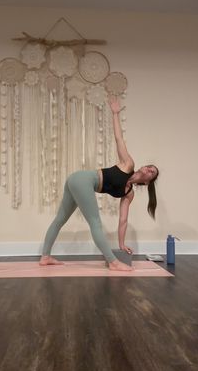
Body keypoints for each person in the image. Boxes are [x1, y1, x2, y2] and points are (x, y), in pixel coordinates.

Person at [40, 97, 159, 271]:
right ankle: (113, 262)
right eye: (149, 166)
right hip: (84, 179)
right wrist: (115, 114)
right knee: (95, 223)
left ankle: (45, 257)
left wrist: (121, 244)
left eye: (152, 172)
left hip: (77, 182)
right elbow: (119, 139)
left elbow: (123, 220)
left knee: (60, 219)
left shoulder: (129, 193)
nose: (148, 169)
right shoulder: (128, 164)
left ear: (148, 181)